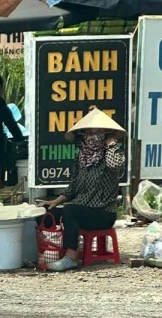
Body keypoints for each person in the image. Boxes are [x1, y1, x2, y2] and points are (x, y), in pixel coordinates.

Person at [40, 108, 126, 272]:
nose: (91, 137)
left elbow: (116, 164)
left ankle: (71, 257)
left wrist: (111, 143)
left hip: (103, 212)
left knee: (71, 210)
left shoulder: (111, 155)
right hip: (82, 208)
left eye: (97, 132)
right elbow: (73, 187)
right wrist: (55, 202)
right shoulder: (82, 159)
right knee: (45, 213)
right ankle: (48, 253)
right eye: (88, 133)